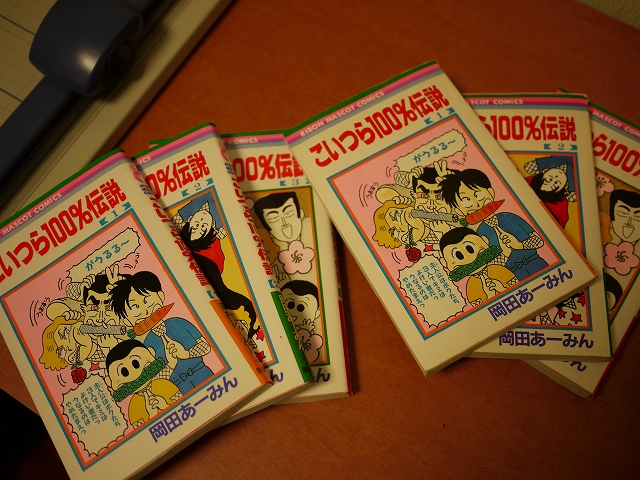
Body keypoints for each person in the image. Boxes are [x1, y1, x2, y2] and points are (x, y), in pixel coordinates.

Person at [110, 271, 214, 394]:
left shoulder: (177, 323)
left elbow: (206, 346)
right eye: (135, 308)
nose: (145, 310)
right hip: (178, 390)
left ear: (160, 296)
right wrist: (171, 364)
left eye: (146, 301)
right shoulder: (145, 346)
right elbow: (155, 379)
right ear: (128, 320)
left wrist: (187, 353)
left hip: (204, 374)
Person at [440, 168, 548, 281]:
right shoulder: (479, 235)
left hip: (537, 264)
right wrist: (505, 253)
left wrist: (520, 245)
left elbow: (539, 241)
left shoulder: (509, 217)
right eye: (466, 200)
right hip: (512, 276)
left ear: (491, 192)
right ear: (459, 210)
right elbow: (491, 264)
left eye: (477, 194)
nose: (476, 203)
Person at [177, 202, 260, 340]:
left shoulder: (212, 243)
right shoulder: (178, 235)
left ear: (210, 228)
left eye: (204, 226)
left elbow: (218, 260)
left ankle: (249, 325)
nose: (200, 227)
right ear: (190, 220)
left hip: (211, 274)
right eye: (197, 222)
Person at [105, 339, 181, 428]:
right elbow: (141, 431)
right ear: (109, 381)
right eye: (124, 372)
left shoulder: (164, 383)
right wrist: (152, 415)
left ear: (151, 353)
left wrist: (165, 406)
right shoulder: (133, 408)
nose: (135, 375)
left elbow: (183, 405)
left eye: (136, 363)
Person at [439, 227, 517, 306]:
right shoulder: (471, 287)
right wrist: (489, 296)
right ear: (444, 262)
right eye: (458, 255)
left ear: (485, 240)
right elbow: (480, 309)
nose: (470, 259)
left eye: (470, 248)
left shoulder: (498, 268)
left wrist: (502, 289)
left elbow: (518, 286)